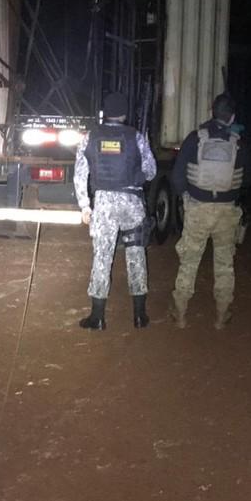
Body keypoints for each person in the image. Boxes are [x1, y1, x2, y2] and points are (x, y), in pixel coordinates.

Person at [168, 93, 251, 330]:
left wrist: (187, 197)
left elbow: (177, 177)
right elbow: (249, 179)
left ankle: (180, 313)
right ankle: (221, 315)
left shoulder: (194, 139)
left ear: (211, 112)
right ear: (232, 117)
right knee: (224, 263)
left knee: (189, 261)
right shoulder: (238, 142)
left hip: (198, 209)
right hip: (227, 213)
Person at [74, 91, 157, 330]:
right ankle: (139, 316)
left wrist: (85, 206)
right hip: (132, 201)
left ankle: (97, 317)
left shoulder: (90, 137)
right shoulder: (136, 136)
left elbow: (80, 174)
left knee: (102, 257)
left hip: (103, 204)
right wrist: (137, 177)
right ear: (123, 114)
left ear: (105, 113)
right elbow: (151, 171)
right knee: (136, 256)